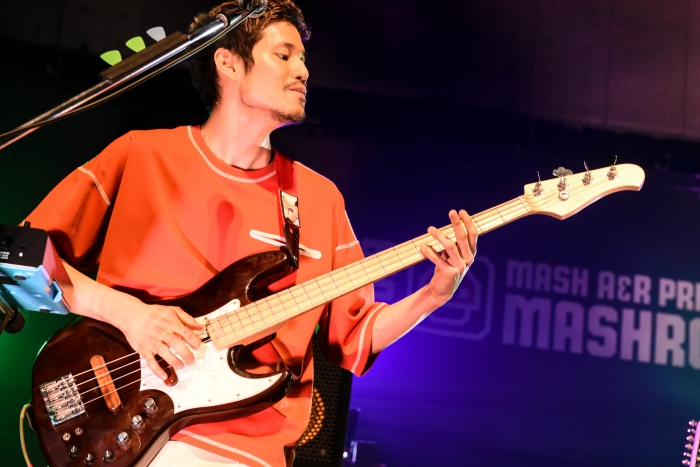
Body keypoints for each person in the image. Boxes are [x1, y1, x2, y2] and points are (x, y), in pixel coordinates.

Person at [25, 1, 478, 466]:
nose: (302, 70)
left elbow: (355, 334)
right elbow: (23, 258)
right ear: (229, 63)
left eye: (302, 58)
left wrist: (434, 295)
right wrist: (133, 316)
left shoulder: (318, 199)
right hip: (137, 436)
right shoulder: (142, 154)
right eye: (283, 55)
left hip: (254, 453)